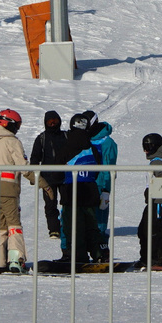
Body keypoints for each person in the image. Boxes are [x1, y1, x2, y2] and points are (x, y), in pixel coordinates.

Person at [0, 109, 42, 272]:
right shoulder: (12, 141)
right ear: (10, 124)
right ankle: (16, 260)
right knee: (14, 225)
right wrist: (41, 182)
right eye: (17, 125)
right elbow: (23, 166)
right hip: (7, 188)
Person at [59, 112, 105, 264]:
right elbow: (99, 167)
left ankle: (78, 256)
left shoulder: (65, 145)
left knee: (72, 226)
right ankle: (99, 253)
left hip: (71, 191)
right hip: (90, 190)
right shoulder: (92, 147)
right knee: (91, 225)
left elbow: (56, 166)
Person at [137, 132, 162, 271]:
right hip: (158, 200)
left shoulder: (158, 161)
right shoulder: (159, 160)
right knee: (145, 229)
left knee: (153, 230)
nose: (145, 150)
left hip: (159, 202)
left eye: (147, 147)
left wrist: (152, 192)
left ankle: (158, 260)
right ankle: (150, 258)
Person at [29, 111, 67, 239]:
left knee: (68, 203)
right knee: (50, 204)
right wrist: (35, 176)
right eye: (50, 121)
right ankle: (54, 229)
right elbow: (35, 158)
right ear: (45, 123)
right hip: (48, 179)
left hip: (65, 177)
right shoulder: (41, 138)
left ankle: (68, 226)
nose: (52, 124)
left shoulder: (66, 136)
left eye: (55, 121)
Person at [86, 111, 118, 243]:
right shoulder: (83, 139)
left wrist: (106, 190)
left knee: (99, 219)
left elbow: (109, 167)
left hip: (100, 185)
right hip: (84, 183)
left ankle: (102, 248)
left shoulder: (107, 142)